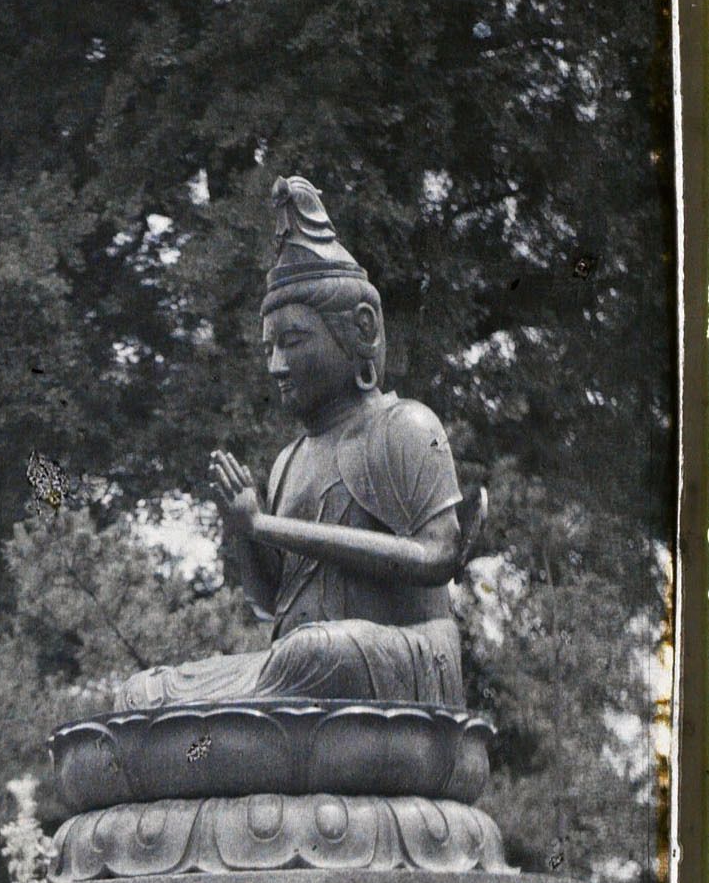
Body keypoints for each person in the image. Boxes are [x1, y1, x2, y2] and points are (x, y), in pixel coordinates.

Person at [112, 176, 476, 713]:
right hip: (305, 676)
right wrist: (243, 532)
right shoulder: (289, 461)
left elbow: (438, 556)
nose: (277, 365)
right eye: (269, 348)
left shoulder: (404, 426)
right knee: (145, 692)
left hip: (400, 663)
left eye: (294, 341)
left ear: (361, 328)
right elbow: (269, 603)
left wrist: (268, 527)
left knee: (314, 652)